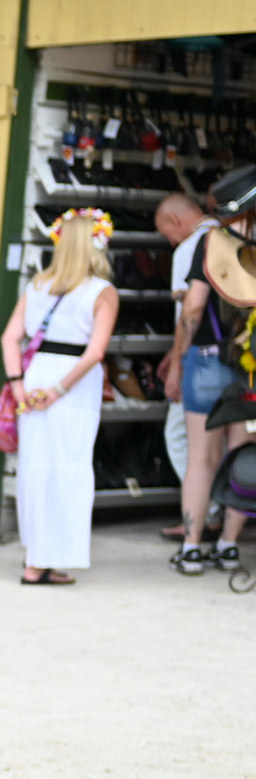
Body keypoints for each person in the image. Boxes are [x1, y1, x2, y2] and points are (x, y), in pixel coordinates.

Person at [0, 209, 119, 585]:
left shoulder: (36, 286)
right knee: (68, 465)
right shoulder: (102, 292)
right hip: (72, 384)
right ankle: (52, 558)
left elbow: (9, 338)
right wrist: (60, 390)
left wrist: (20, 386)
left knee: (35, 466)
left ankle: (34, 560)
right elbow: (95, 352)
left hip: (35, 375)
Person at [166, 166, 256, 574]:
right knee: (243, 454)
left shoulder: (211, 243)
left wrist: (180, 356)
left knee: (201, 459)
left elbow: (194, 306)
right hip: (249, 366)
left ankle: (191, 548)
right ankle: (228, 545)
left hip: (205, 360)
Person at [152, 194, 218, 541]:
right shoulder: (230, 236)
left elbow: (189, 313)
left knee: (182, 440)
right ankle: (223, 519)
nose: (170, 242)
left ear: (176, 222)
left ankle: (201, 516)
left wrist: (176, 362)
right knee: (227, 439)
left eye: (167, 233)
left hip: (201, 359)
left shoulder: (189, 248)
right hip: (235, 357)